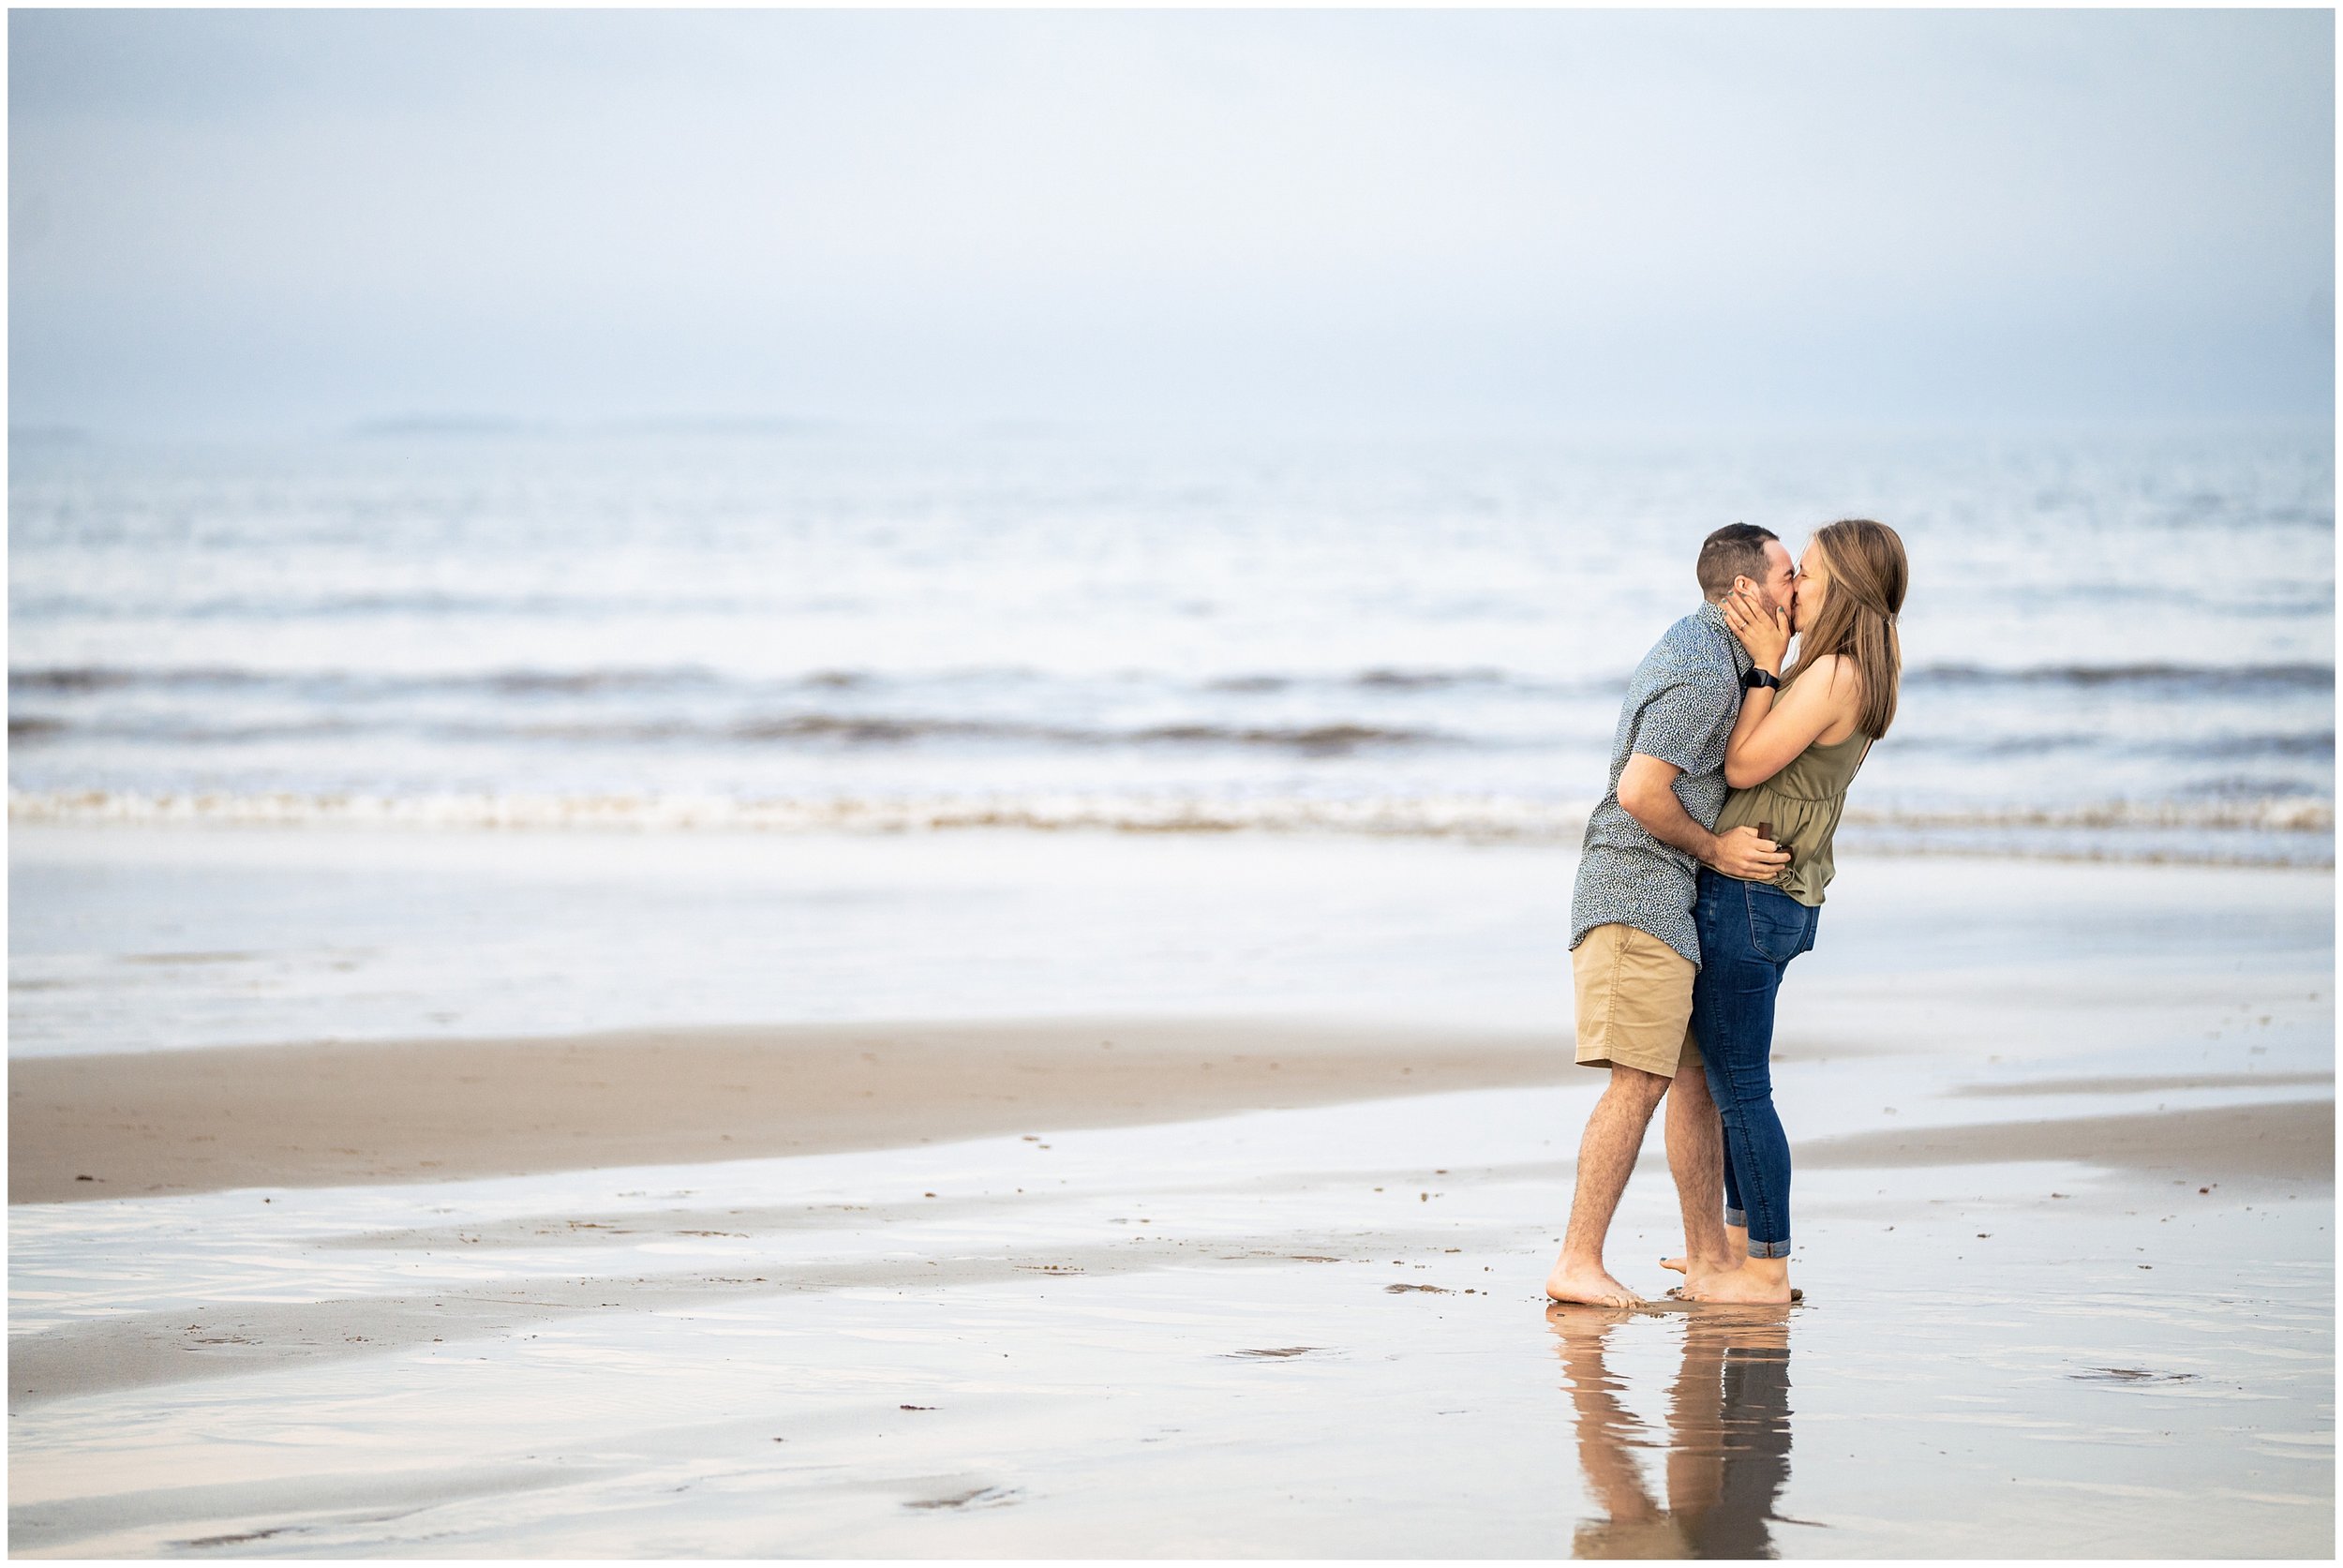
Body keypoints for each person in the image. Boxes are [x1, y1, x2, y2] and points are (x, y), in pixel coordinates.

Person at [1544, 525, 1795, 1308]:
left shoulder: (1722, 659)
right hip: (1635, 894)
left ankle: (1710, 1260)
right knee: (1639, 1081)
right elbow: (1641, 792)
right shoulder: (1700, 674)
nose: (1798, 590)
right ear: (1747, 591)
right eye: (1788, 576)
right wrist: (1717, 850)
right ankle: (1576, 1260)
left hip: (1669, 901)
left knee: (1690, 1080)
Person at [1669, 517, 1910, 1306]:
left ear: (1841, 584)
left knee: (1741, 1086)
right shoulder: (1850, 668)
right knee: (1737, 1081)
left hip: (1754, 891)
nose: (1792, 586)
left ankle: (1767, 1271)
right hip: (1775, 890)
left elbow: (1743, 761)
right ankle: (1740, 1252)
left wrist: (1765, 670)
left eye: (1805, 572)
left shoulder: (1832, 674)